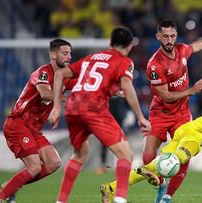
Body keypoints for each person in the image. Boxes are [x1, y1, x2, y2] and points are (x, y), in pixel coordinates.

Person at [48, 26, 151, 203]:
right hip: (94, 108)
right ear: (129, 47)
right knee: (126, 155)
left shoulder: (92, 57)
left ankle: (61, 201)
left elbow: (60, 74)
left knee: (80, 154)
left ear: (110, 43)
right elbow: (127, 86)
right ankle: (120, 200)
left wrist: (56, 107)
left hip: (73, 108)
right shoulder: (124, 61)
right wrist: (140, 116)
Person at [144, 20, 202, 202]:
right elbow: (166, 96)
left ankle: (167, 197)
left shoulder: (181, 50)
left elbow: (193, 47)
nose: (169, 40)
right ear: (158, 37)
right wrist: (191, 91)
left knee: (185, 156)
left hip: (181, 114)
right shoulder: (155, 65)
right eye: (165, 36)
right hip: (161, 113)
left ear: (176, 36)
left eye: (172, 36)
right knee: (148, 158)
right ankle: (162, 183)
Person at [0, 39, 74, 203]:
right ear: (53, 54)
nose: (69, 57)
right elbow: (44, 93)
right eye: (65, 53)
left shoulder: (65, 77)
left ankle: (11, 186)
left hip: (33, 128)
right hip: (18, 123)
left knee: (53, 163)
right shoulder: (42, 73)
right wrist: (67, 99)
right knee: (34, 167)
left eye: (70, 53)